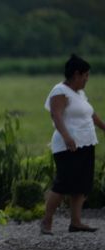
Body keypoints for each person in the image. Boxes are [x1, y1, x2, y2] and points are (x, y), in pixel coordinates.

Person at [40, 54, 105, 235]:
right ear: (76, 74)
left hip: (86, 142)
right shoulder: (59, 91)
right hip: (68, 145)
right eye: (85, 76)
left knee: (82, 185)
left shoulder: (80, 93)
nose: (87, 80)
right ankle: (46, 222)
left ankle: (76, 223)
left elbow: (91, 115)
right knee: (63, 184)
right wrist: (67, 136)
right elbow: (56, 115)